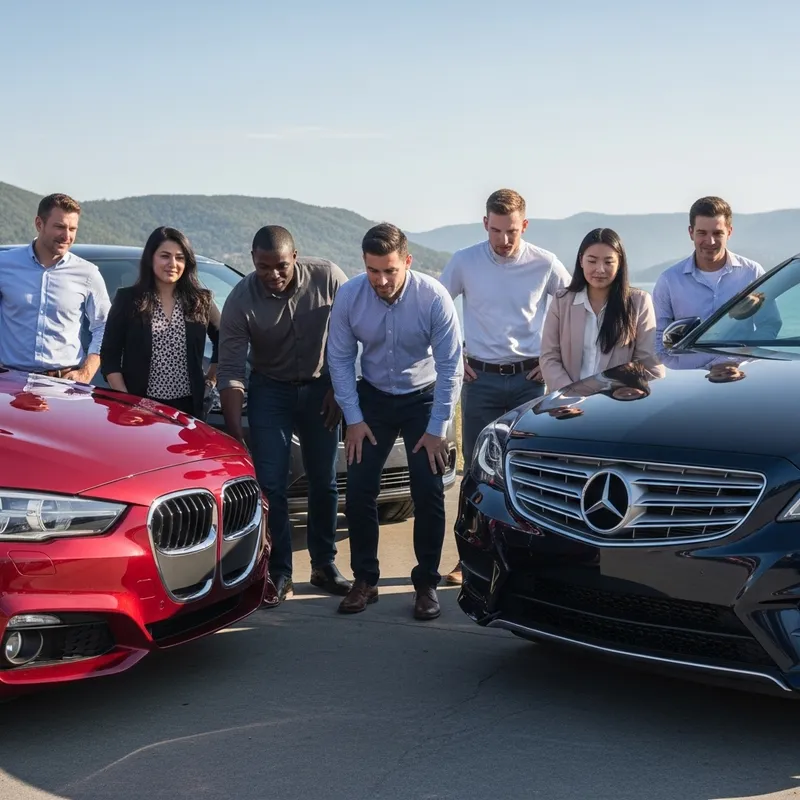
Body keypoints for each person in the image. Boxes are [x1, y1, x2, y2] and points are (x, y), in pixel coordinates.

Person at [327, 222, 463, 620]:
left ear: (407, 261)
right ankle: (365, 580)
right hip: (372, 397)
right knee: (359, 489)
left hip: (423, 397)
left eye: (390, 270)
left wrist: (437, 429)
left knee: (428, 488)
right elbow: (337, 358)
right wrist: (353, 418)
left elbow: (451, 366)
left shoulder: (433, 297)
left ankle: (425, 585)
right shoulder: (350, 295)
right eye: (373, 271)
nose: (381, 280)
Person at [438, 188, 570, 585]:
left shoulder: (545, 263)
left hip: (531, 382)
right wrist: (455, 356)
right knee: (476, 474)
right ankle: (467, 559)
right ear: (485, 225)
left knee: (531, 472)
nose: (504, 240)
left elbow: (574, 305)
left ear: (524, 225)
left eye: (511, 231)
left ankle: (531, 556)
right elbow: (437, 308)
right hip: (480, 381)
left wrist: (553, 357)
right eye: (496, 230)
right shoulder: (464, 261)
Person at [217, 225, 350, 606]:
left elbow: (351, 337)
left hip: (320, 388)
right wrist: (235, 432)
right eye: (263, 268)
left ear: (296, 256)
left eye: (280, 266)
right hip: (270, 389)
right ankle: (279, 572)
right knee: (271, 485)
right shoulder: (241, 299)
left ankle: (324, 565)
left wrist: (340, 390)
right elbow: (229, 370)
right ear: (253, 262)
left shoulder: (328, 277)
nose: (273, 275)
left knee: (324, 480)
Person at [100, 227, 220, 417]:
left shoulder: (200, 300)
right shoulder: (128, 299)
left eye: (179, 258)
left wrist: (211, 379)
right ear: (151, 258)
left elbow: (225, 340)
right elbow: (110, 354)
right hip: (140, 408)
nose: (172, 263)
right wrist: (126, 401)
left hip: (189, 411)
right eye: (165, 256)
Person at [0, 193, 110, 382]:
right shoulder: (4, 265)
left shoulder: (88, 273)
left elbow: (105, 326)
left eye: (72, 229)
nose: (67, 236)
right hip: (8, 384)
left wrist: (86, 373)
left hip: (64, 385)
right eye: (59, 226)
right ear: (39, 224)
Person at [653, 196, 782, 355]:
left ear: (729, 232)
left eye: (717, 233)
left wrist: (745, 356)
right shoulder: (669, 281)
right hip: (689, 374)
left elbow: (769, 324)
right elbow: (660, 337)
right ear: (691, 233)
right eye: (702, 233)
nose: (710, 241)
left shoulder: (752, 273)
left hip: (740, 373)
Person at [540, 228, 657, 392]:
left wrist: (622, 394)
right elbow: (549, 356)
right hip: (569, 404)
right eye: (592, 261)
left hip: (618, 404)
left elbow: (647, 362)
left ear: (620, 263)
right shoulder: (562, 301)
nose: (600, 269)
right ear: (581, 261)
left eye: (608, 262)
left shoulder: (639, 302)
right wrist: (570, 394)